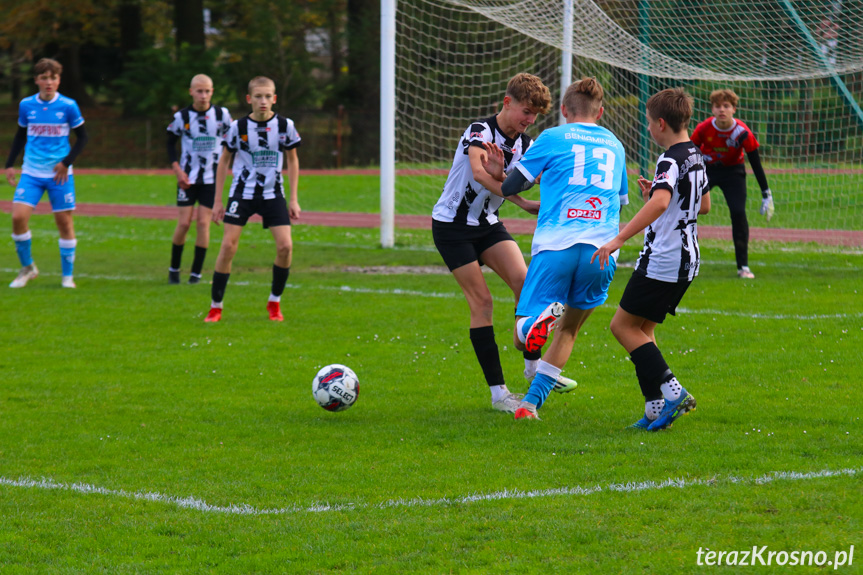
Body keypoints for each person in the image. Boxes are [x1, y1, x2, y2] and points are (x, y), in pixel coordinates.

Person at [482, 77, 629, 420]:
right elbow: (620, 202)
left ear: (563, 110)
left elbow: (512, 184)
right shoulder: (616, 144)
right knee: (570, 330)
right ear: (602, 112)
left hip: (556, 246)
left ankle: (531, 326)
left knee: (523, 335)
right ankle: (530, 405)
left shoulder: (551, 137)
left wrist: (502, 173)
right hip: (602, 250)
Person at [431, 72, 572, 414]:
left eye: (535, 115)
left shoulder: (526, 143)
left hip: (487, 224)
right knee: (482, 303)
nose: (529, 120)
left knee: (527, 284)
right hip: (452, 227)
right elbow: (480, 174)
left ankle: (533, 366)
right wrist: (514, 193)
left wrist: (517, 191)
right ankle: (498, 394)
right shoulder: (479, 130)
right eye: (525, 111)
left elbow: (514, 181)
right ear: (507, 103)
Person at [592, 88, 710, 431]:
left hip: (664, 258)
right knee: (643, 330)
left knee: (621, 326)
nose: (647, 129)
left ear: (661, 123)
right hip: (688, 259)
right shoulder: (696, 156)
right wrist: (655, 195)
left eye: (648, 123)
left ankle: (674, 392)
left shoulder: (669, 159)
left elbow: (661, 204)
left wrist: (618, 239)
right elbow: (702, 206)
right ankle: (655, 409)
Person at [204, 76, 301, 322]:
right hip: (242, 194)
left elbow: (292, 159)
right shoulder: (237, 128)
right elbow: (224, 160)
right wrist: (217, 201)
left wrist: (294, 199)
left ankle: (274, 303)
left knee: (286, 247)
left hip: (273, 195)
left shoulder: (284, 125)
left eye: (268, 96)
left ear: (274, 99)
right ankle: (216, 307)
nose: (263, 101)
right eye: (258, 96)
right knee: (227, 247)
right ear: (249, 99)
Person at [5, 58, 88, 289]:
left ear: (59, 80)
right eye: (44, 78)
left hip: (59, 175)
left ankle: (67, 277)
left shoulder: (69, 106)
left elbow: (83, 137)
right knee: (17, 218)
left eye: (53, 78)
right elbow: (21, 135)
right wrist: (10, 164)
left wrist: (66, 163)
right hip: (31, 172)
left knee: (64, 222)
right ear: (36, 81)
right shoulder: (26, 105)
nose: (48, 82)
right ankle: (28, 268)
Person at [691, 89, 773, 279]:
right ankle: (681, 258)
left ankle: (743, 266)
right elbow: (689, 152)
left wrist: (765, 192)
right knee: (688, 208)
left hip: (733, 172)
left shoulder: (742, 132)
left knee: (738, 212)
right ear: (712, 109)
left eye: (726, 106)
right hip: (707, 170)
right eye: (718, 106)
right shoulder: (703, 129)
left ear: (734, 109)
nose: (722, 110)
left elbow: (755, 162)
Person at [166, 74, 232, 284]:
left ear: (212, 91)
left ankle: (196, 274)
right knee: (184, 223)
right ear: (191, 92)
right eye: (199, 91)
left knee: (203, 224)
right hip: (187, 179)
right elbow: (169, 143)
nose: (203, 95)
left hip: (212, 179)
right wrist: (177, 170)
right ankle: (174, 269)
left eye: (207, 91)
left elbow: (233, 142)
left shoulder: (222, 115)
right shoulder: (182, 117)